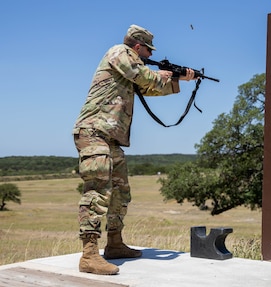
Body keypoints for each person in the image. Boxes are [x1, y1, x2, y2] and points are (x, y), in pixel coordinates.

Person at [72, 24, 195, 275]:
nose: (149, 56)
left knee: (120, 193)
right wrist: (167, 74)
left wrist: (180, 79)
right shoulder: (119, 52)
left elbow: (149, 88)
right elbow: (145, 76)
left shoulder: (132, 69)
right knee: (97, 192)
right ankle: (89, 255)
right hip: (94, 132)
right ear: (137, 46)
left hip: (112, 139)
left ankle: (115, 244)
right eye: (147, 51)